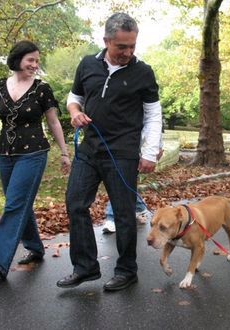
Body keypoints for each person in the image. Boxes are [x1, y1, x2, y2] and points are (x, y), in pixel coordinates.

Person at [57, 12, 162, 291]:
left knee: (125, 213)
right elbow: (74, 96)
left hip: (122, 152)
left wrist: (150, 152)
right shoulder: (87, 64)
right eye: (121, 47)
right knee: (75, 203)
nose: (128, 52)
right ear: (106, 41)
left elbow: (153, 113)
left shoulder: (143, 72)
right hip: (89, 149)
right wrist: (74, 111)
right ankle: (85, 267)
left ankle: (127, 270)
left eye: (132, 46)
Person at [0, 40, 70, 279]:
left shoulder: (42, 89)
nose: (35, 65)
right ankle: (36, 248)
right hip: (5, 154)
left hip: (33, 153)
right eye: (31, 60)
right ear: (17, 59)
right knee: (19, 202)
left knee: (14, 205)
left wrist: (64, 152)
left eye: (37, 61)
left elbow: (53, 122)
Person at [102, 147, 163, 234]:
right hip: (112, 151)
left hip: (132, 152)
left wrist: (156, 149)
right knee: (125, 184)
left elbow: (154, 133)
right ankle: (139, 207)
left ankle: (111, 218)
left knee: (119, 183)